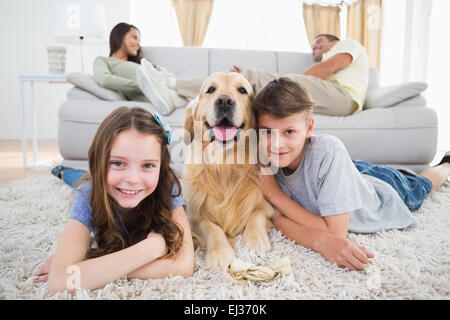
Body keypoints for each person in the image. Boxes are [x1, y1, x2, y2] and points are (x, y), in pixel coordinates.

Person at [247, 77, 450, 271]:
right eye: (266, 132)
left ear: (309, 128)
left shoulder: (328, 150)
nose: (276, 143)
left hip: (384, 187)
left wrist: (275, 195)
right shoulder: (265, 160)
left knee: (421, 185)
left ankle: (446, 165)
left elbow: (335, 233)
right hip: (351, 171)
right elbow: (278, 219)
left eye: (289, 132)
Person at [34, 107, 195, 295]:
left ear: (161, 167)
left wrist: (93, 269)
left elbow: (184, 266)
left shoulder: (167, 186)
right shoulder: (86, 194)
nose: (133, 179)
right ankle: (62, 171)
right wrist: (151, 249)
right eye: (118, 163)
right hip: (95, 183)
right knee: (77, 179)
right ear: (98, 161)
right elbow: (59, 282)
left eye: (148, 165)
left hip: (113, 185)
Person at [140, 34, 368, 117]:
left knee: (264, 81)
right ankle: (179, 98)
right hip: (337, 99)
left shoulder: (347, 44)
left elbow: (331, 67)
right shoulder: (321, 74)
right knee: (257, 96)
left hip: (343, 97)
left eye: (319, 42)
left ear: (334, 41)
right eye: (313, 45)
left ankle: (170, 82)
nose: (315, 48)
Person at [93, 22, 185, 115]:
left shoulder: (139, 62)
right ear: (120, 36)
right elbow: (105, 79)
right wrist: (144, 84)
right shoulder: (102, 60)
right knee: (196, 93)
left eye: (139, 40)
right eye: (134, 37)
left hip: (167, 84)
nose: (138, 43)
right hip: (160, 93)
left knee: (197, 87)